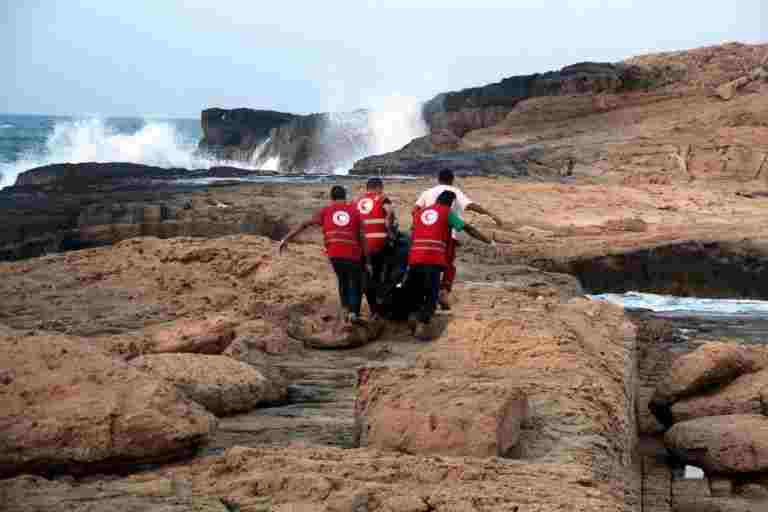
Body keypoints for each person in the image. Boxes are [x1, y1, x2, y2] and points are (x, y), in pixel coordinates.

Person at [408, 190, 495, 340]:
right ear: (451, 203)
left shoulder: (420, 212)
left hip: (415, 256)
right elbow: (468, 229)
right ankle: (423, 324)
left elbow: (416, 230)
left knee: (418, 289)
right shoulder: (447, 212)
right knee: (431, 291)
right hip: (433, 257)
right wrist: (488, 241)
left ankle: (414, 316)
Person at [279, 185, 370, 326]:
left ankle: (345, 311)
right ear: (345, 197)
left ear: (331, 198)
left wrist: (286, 239)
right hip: (352, 254)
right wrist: (368, 260)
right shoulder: (355, 212)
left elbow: (305, 224)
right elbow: (363, 237)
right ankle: (353, 314)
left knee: (343, 280)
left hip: (334, 254)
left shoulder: (326, 211)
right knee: (355, 283)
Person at [414, 169, 503, 309]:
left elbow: (415, 210)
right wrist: (489, 214)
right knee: (448, 265)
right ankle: (443, 291)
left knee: (424, 265)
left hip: (422, 237)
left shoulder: (427, 192)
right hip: (447, 237)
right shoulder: (454, 193)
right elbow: (470, 207)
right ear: (452, 179)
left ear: (438, 179)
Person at [355, 177, 395, 319]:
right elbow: (389, 211)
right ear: (379, 187)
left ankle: (370, 310)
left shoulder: (358, 201)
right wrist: (389, 227)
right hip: (378, 243)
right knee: (380, 276)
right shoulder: (382, 198)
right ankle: (380, 309)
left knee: (365, 277)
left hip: (361, 247)